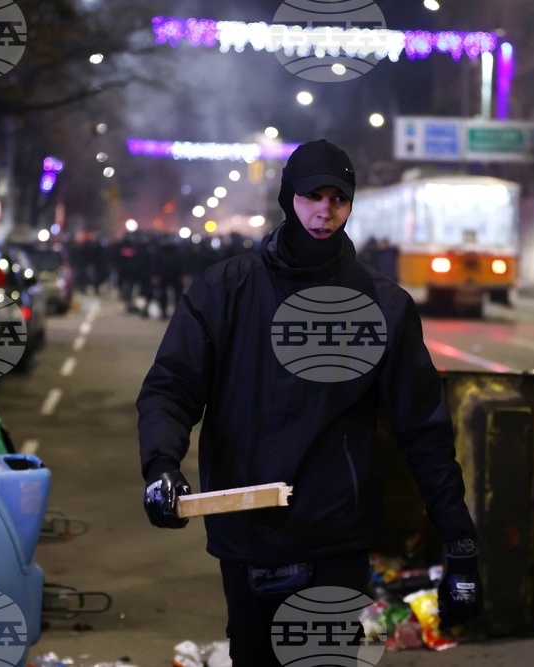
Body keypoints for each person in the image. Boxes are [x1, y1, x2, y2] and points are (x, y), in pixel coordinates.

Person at [137, 139, 482, 665]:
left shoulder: (383, 306)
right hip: (244, 527)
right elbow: (172, 385)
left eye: (338, 198)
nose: (325, 210)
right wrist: (161, 464)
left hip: (333, 532)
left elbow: (424, 430)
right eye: (312, 195)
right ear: (288, 198)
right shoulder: (224, 290)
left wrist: (459, 544)